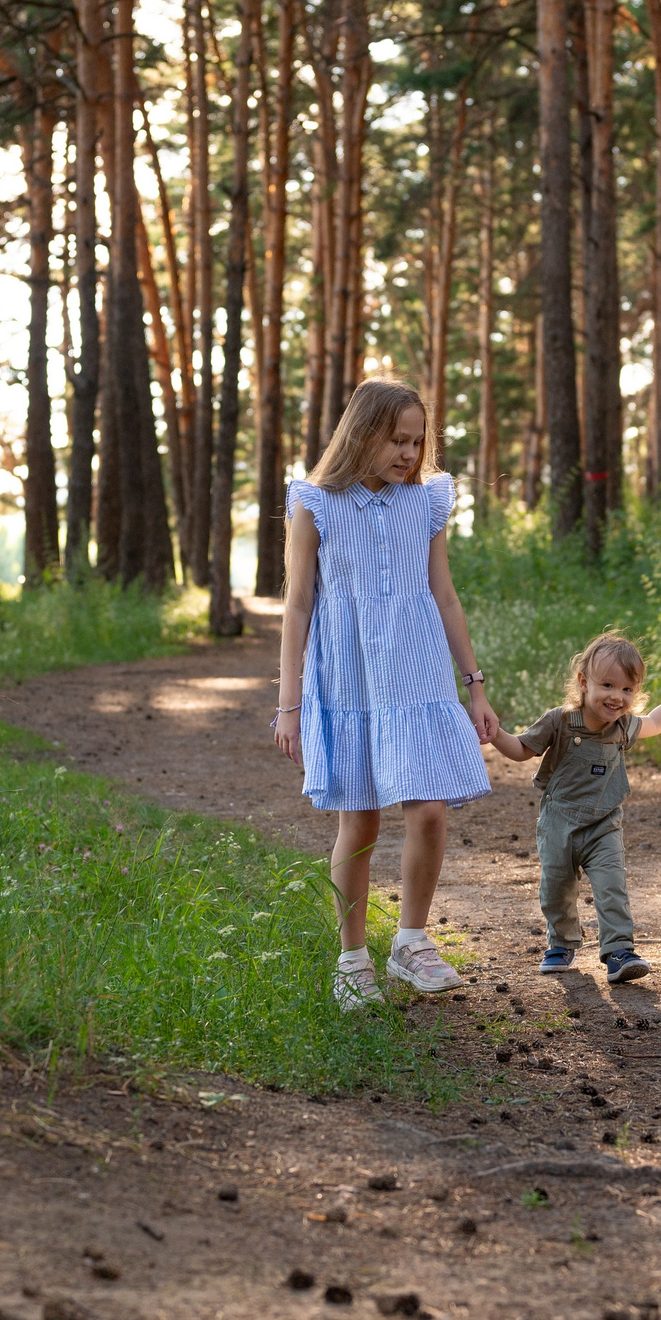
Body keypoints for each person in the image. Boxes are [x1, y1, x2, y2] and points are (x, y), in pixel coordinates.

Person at [273, 380, 498, 1009]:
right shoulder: (314, 502)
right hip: (347, 677)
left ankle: (410, 940)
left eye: (416, 440)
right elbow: (297, 607)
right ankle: (352, 959)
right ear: (362, 433)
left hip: (417, 671)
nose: (408, 452)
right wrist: (289, 703)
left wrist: (474, 685)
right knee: (361, 820)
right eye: (396, 439)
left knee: (428, 809)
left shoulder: (424, 502)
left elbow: (444, 595)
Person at [488, 633, 661, 986]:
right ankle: (560, 942)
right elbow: (520, 749)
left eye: (627, 690)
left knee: (611, 885)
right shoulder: (559, 721)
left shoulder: (623, 727)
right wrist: (494, 732)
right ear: (583, 683)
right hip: (559, 822)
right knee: (556, 887)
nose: (617, 697)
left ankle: (619, 950)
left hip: (604, 823)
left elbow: (656, 721)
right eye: (607, 685)